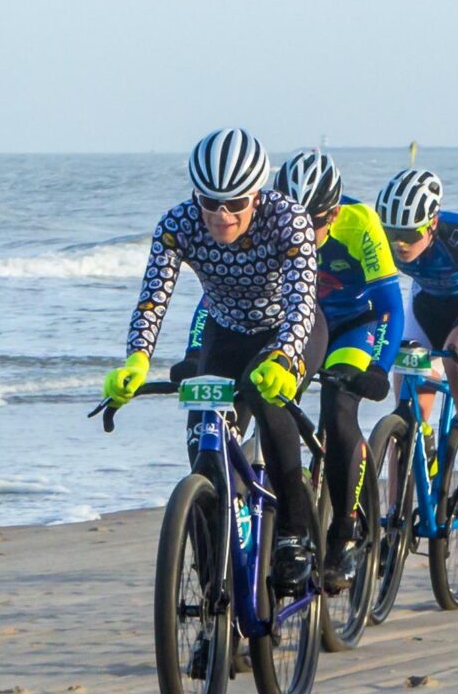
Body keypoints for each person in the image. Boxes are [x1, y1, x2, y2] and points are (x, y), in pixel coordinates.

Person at [104, 129, 325, 595]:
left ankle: (293, 535)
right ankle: (213, 594)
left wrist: (285, 356)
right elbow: (153, 298)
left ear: (257, 195)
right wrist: (138, 359)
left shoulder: (288, 219)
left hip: (289, 331)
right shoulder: (178, 224)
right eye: (210, 201)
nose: (222, 215)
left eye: (235, 203)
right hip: (225, 333)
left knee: (271, 409)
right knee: (204, 448)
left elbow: (302, 300)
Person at [274, 150, 405, 593]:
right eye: (296, 221)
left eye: (313, 224)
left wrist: (380, 367)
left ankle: (346, 531)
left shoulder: (359, 222)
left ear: (333, 212)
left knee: (337, 410)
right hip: (302, 325)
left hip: (354, 326)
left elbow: (389, 305)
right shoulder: (270, 222)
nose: (303, 236)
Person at [374, 167, 458, 509]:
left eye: (409, 233)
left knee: (456, 357)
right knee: (408, 393)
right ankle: (395, 514)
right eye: (391, 233)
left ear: (432, 224)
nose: (399, 243)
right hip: (428, 303)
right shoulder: (385, 241)